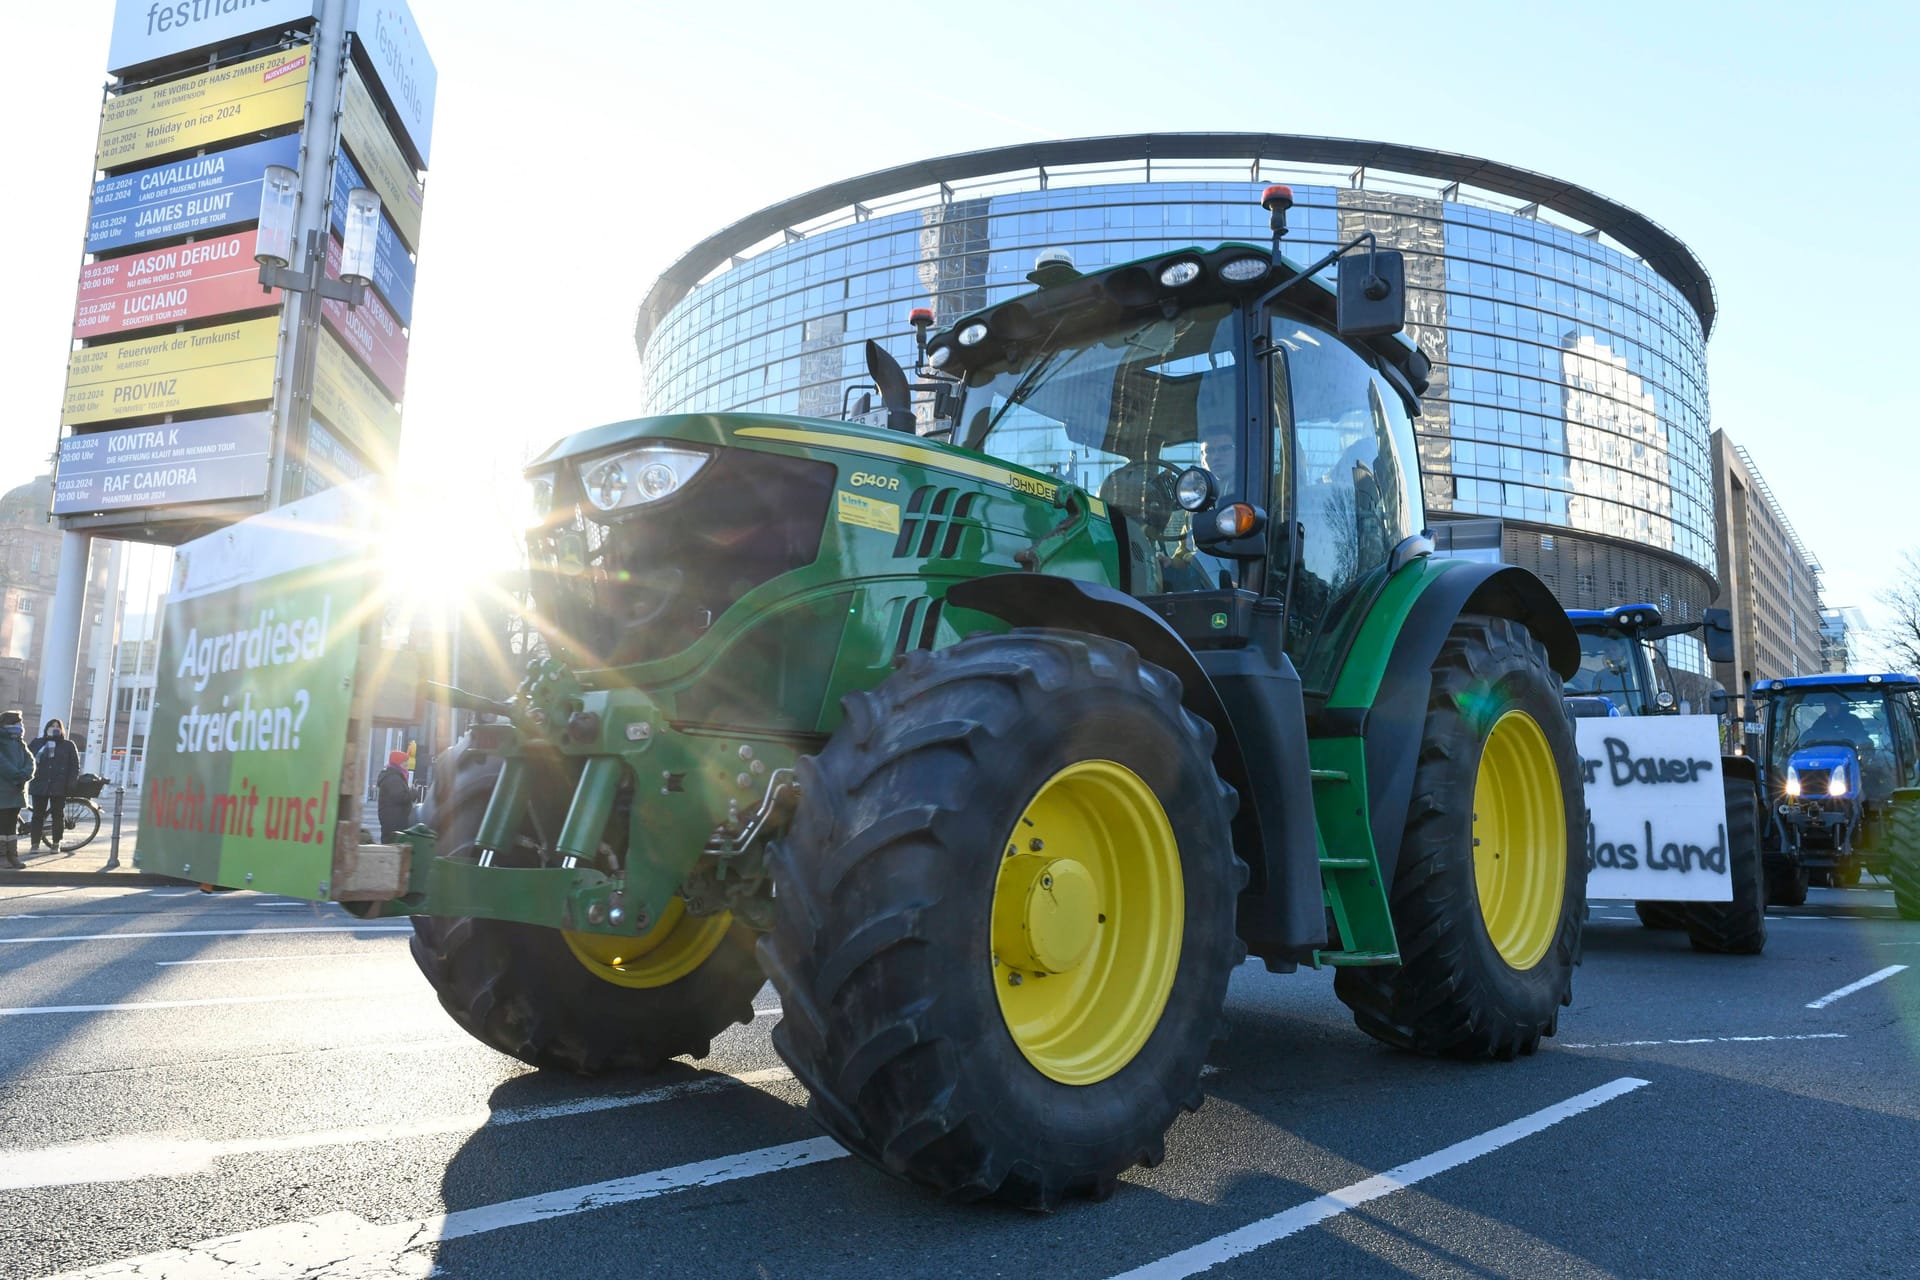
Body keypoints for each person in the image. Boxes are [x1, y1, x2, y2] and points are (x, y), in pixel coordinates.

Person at [27, 718, 80, 854]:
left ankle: (56, 843)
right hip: (40, 783)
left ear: (62, 729)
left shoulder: (68, 745)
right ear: (47, 728)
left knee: (57, 815)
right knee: (38, 815)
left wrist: (71, 784)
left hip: (59, 785)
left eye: (58, 726)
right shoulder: (38, 742)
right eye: (52, 726)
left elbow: (74, 766)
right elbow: (28, 758)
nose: (55, 728)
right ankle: (35, 844)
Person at [0, 710, 33, 869]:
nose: (20, 725)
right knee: (2, 824)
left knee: (12, 825)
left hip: (17, 789)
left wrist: (26, 774)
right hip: (4, 789)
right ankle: (2, 857)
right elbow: (2, 764)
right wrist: (17, 775)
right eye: (16, 722)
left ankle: (13, 856)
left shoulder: (20, 741)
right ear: (6, 724)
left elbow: (30, 760)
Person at [377, 750, 413, 843]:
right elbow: (399, 797)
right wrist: (412, 794)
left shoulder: (395, 776)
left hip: (394, 819)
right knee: (391, 846)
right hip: (393, 820)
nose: (406, 764)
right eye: (404, 761)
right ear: (398, 762)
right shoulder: (393, 777)